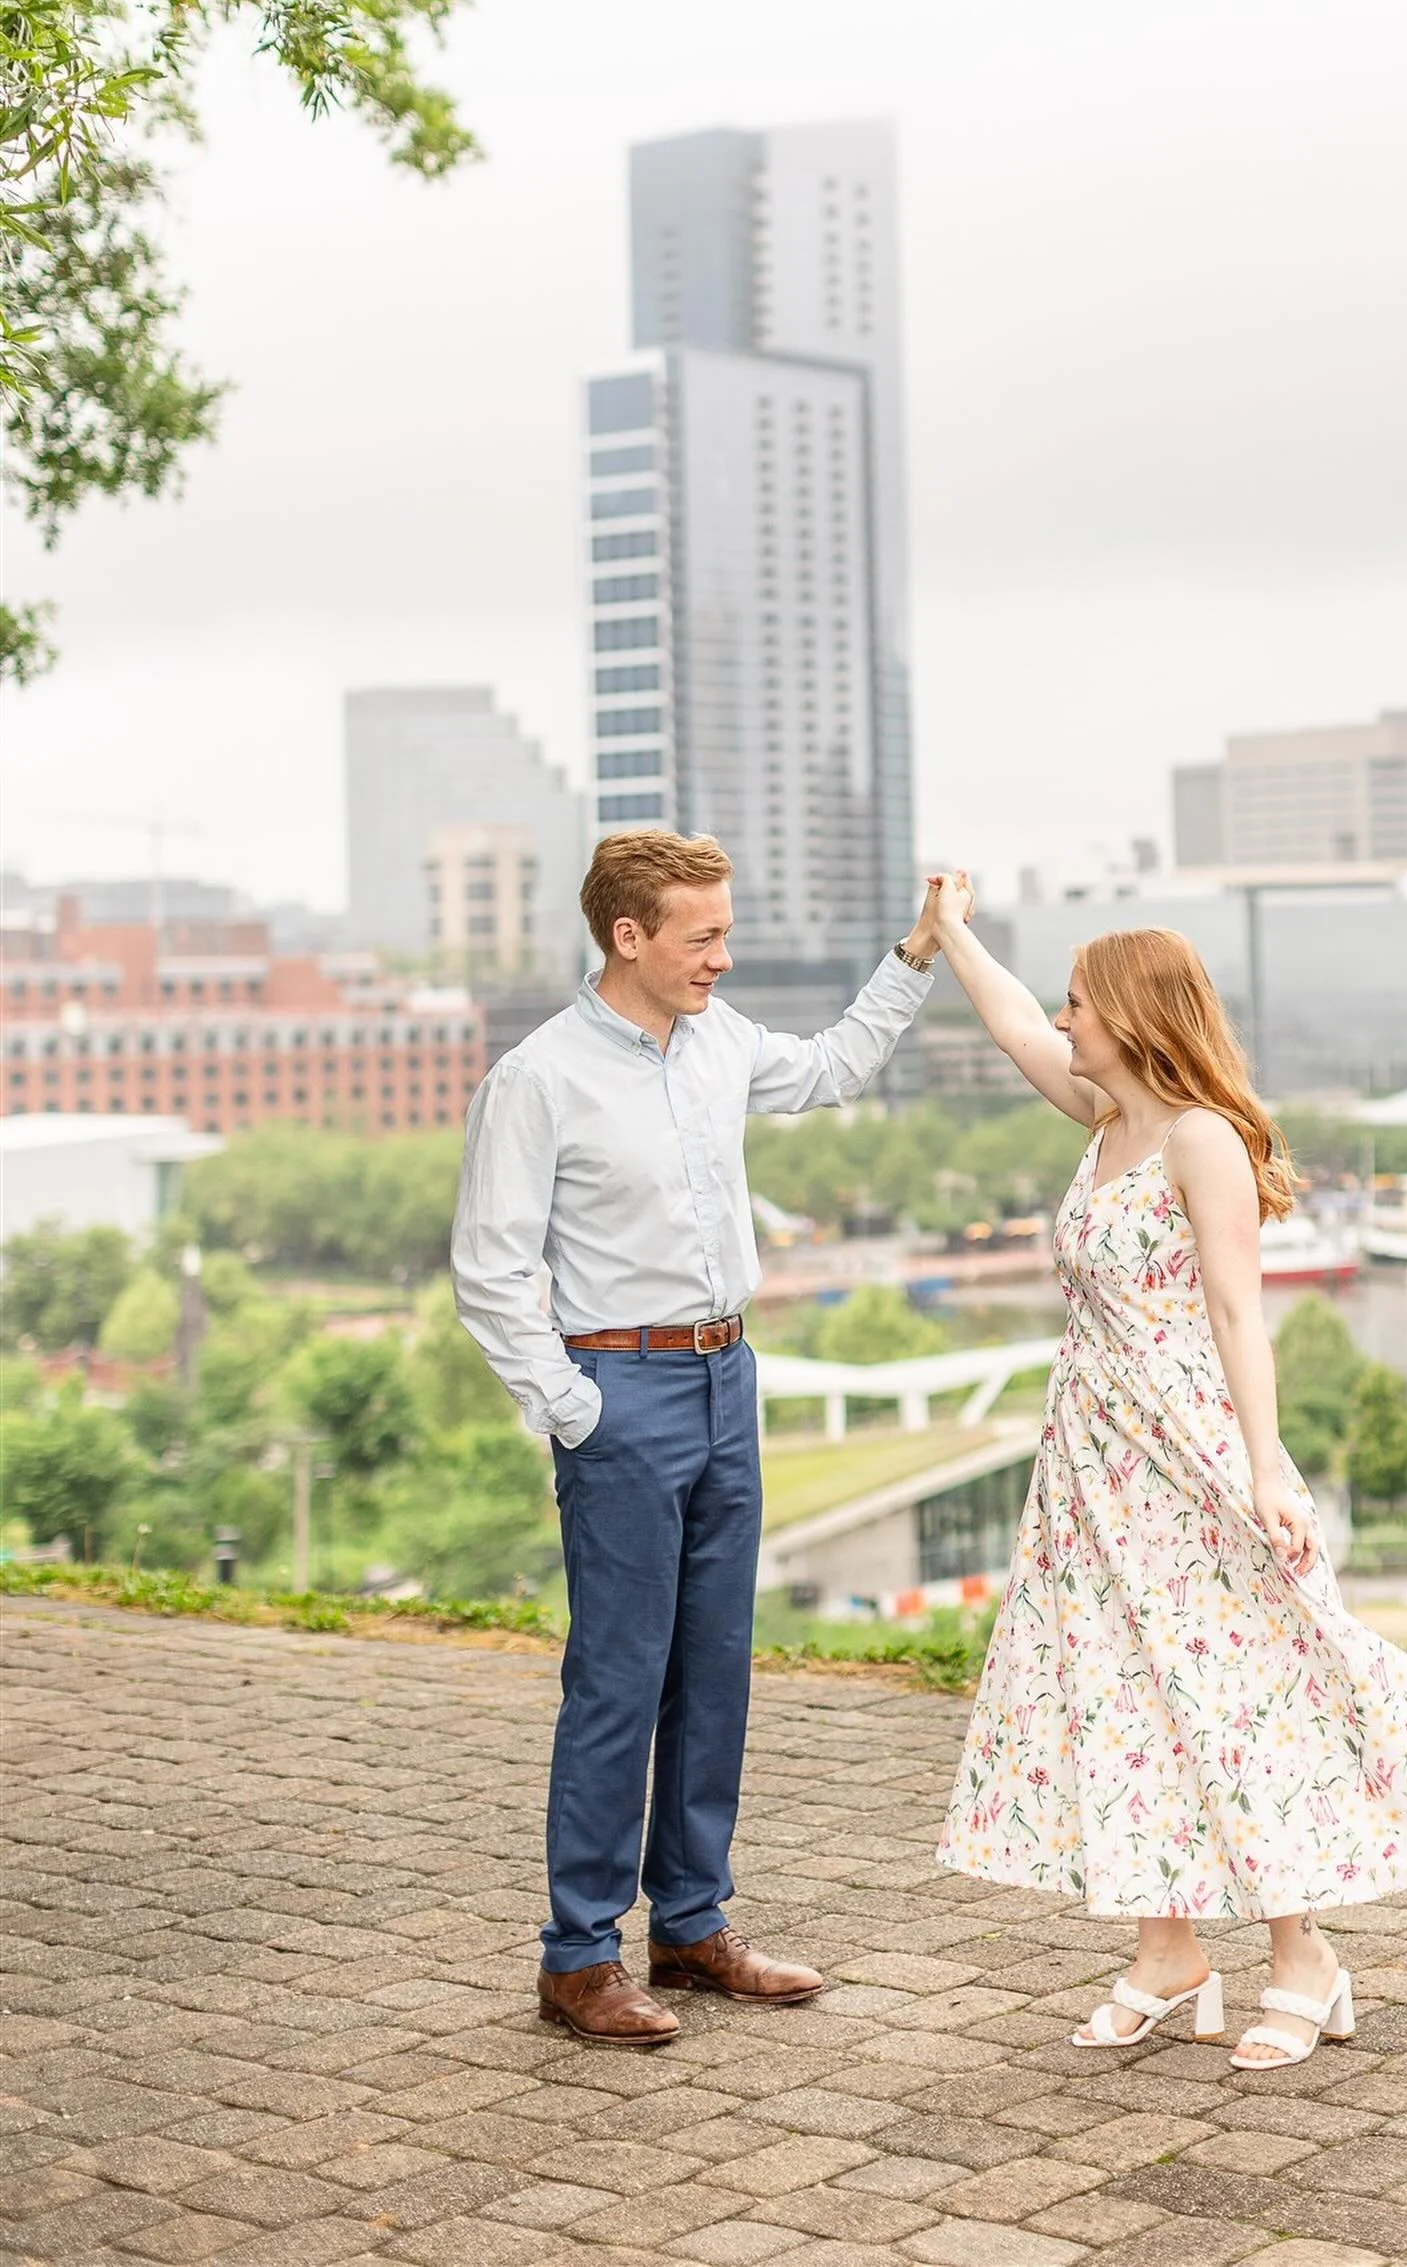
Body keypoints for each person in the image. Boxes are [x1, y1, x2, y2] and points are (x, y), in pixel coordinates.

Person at [928, 886, 1407, 2068]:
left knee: (1236, 1695)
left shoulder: (1199, 1137)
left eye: (1079, 1003)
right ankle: (1169, 1957)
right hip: (1090, 1466)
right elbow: (1008, 1024)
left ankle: (1302, 1953)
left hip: (1184, 1452)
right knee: (1116, 1692)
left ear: (1132, 1014)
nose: (1061, 1018)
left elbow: (1233, 1312)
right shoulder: (1105, 1115)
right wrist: (948, 929)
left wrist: (1265, 1471)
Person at [452, 828, 942, 2047]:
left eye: (724, 931)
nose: (723, 956)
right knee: (618, 1683)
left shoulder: (718, 1045)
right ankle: (578, 1959)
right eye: (703, 936)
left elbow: (831, 1069)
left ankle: (689, 1927)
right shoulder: (539, 1078)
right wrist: (573, 1407)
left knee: (713, 1670)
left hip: (729, 1379)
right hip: (620, 1391)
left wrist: (914, 954)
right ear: (629, 937)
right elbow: (490, 1271)